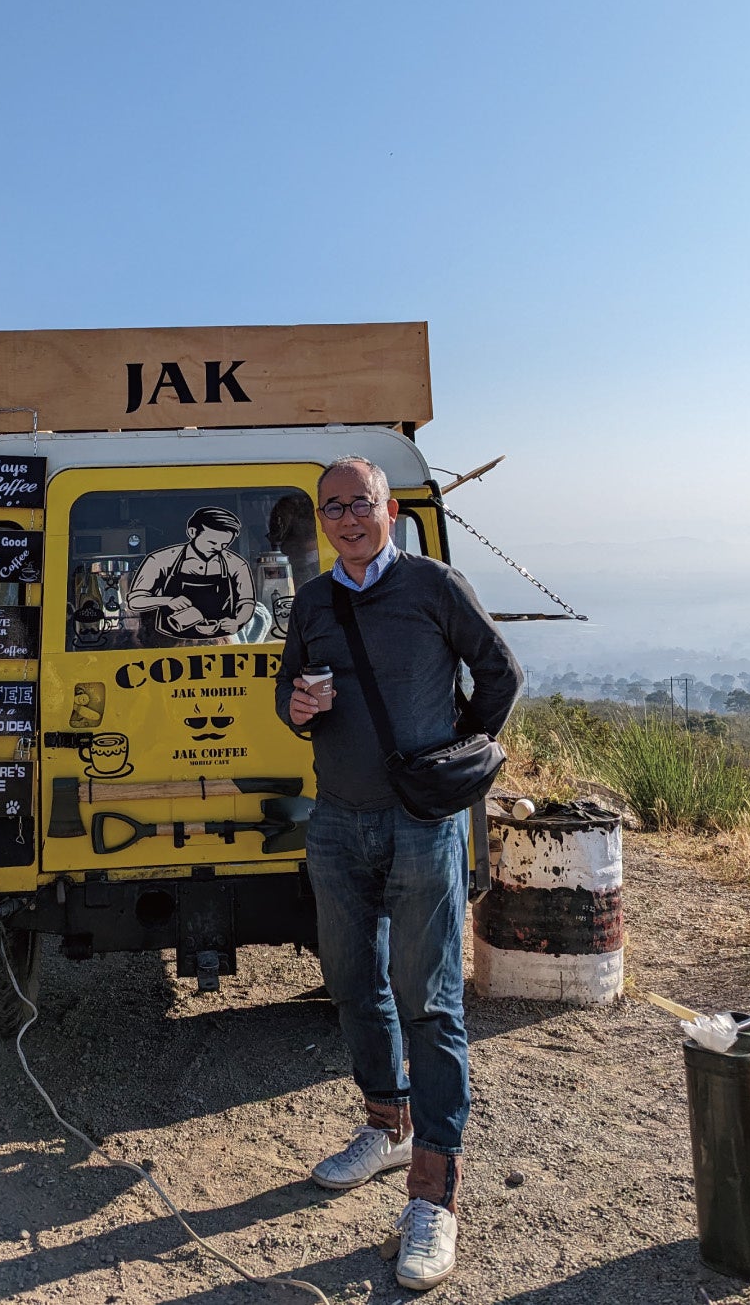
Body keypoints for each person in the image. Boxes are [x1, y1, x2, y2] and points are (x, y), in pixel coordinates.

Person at [275, 456, 523, 1291]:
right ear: (322, 518)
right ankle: (386, 1123)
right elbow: (286, 691)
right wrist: (298, 707)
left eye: (361, 503)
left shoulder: (432, 585)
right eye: (332, 506)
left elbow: (502, 673)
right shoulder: (312, 601)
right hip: (337, 819)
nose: (347, 518)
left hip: (422, 822)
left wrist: (457, 752)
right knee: (352, 980)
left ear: (389, 509)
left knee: (432, 997)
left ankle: (434, 1194)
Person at [124, 505, 256, 644]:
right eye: (212, 542)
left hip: (217, 645)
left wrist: (238, 621)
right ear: (193, 532)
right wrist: (167, 600)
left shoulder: (237, 564)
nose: (218, 549)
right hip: (165, 643)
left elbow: (247, 602)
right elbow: (135, 601)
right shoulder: (159, 561)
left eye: (224, 545)